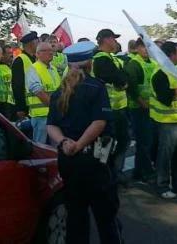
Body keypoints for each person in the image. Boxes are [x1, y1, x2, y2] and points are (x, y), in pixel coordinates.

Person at [46, 41, 123, 244]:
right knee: (105, 215)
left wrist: (64, 143)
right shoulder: (96, 87)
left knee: (76, 214)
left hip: (68, 160)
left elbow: (51, 126)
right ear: (89, 63)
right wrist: (79, 145)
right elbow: (99, 122)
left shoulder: (58, 91)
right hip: (95, 159)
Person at [150, 42, 177, 199]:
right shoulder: (160, 72)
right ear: (171, 55)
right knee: (165, 155)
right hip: (168, 121)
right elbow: (164, 97)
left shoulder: (173, 71)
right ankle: (162, 185)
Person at [93, 29, 130, 185]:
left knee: (122, 141)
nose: (115, 41)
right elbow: (118, 78)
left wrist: (122, 80)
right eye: (113, 39)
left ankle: (113, 172)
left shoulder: (112, 58)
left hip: (119, 108)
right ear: (106, 40)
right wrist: (122, 81)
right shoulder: (100, 59)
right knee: (104, 144)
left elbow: (124, 76)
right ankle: (102, 174)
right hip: (107, 110)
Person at [124, 38, 157, 182]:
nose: (147, 50)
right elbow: (131, 88)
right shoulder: (134, 64)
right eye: (144, 47)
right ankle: (146, 173)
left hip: (152, 108)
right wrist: (142, 102)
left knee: (148, 142)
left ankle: (138, 172)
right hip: (139, 108)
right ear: (137, 48)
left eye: (148, 47)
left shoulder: (153, 62)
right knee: (144, 142)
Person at [26, 42, 61, 143]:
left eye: (51, 50)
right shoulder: (33, 69)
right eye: (45, 51)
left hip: (54, 115)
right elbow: (39, 92)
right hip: (41, 116)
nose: (50, 53)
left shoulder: (53, 69)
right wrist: (55, 107)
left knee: (55, 147)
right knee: (41, 146)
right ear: (37, 54)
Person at [12, 31, 39, 120]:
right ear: (31, 44)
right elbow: (17, 86)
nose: (39, 44)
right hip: (25, 107)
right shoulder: (20, 60)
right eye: (37, 42)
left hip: (35, 105)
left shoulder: (35, 59)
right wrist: (20, 108)